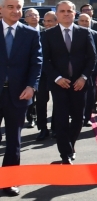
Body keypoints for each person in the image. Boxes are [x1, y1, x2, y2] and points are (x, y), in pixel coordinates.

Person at [0, 0, 42, 196]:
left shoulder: (31, 33)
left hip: (19, 95)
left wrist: (31, 86)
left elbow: (37, 63)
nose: (15, 11)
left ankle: (9, 181)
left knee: (14, 140)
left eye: (18, 7)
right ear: (1, 9)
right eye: (10, 7)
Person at [45, 0, 96, 164]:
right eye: (62, 11)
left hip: (79, 84)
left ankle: (71, 145)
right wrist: (57, 78)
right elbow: (45, 61)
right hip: (59, 84)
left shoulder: (84, 32)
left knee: (78, 118)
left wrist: (84, 77)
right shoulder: (47, 34)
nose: (66, 14)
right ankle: (65, 154)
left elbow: (92, 58)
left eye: (69, 11)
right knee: (60, 119)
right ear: (57, 14)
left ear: (75, 14)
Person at [77, 13, 97, 126]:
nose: (84, 23)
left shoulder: (96, 34)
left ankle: (86, 117)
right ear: (78, 22)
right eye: (82, 21)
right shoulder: (73, 34)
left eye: (86, 21)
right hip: (76, 70)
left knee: (90, 95)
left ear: (90, 22)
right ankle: (77, 116)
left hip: (91, 70)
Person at [35, 11, 57, 140]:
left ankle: (55, 128)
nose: (47, 23)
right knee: (41, 102)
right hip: (41, 74)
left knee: (58, 103)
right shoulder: (38, 35)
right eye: (46, 21)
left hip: (57, 75)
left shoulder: (60, 35)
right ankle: (43, 128)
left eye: (50, 21)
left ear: (56, 21)